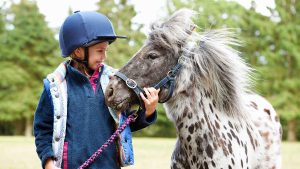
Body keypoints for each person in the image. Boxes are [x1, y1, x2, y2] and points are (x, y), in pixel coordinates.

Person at [33, 11, 159, 169]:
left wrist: (149, 110)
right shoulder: (55, 86)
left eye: (106, 50)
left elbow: (125, 125)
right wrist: (48, 162)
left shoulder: (114, 83)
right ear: (79, 51)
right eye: (100, 51)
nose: (104, 56)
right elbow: (42, 129)